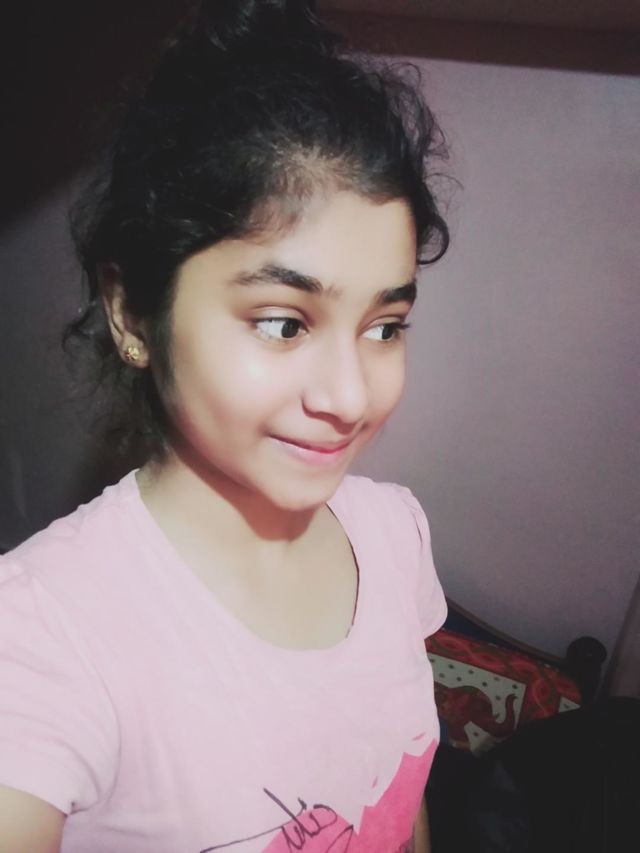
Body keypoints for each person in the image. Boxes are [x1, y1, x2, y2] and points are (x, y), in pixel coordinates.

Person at [0, 1, 450, 850]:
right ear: (132, 312)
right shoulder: (40, 641)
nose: (350, 396)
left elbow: (400, 796)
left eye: (385, 326)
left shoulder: (396, 536)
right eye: (282, 322)